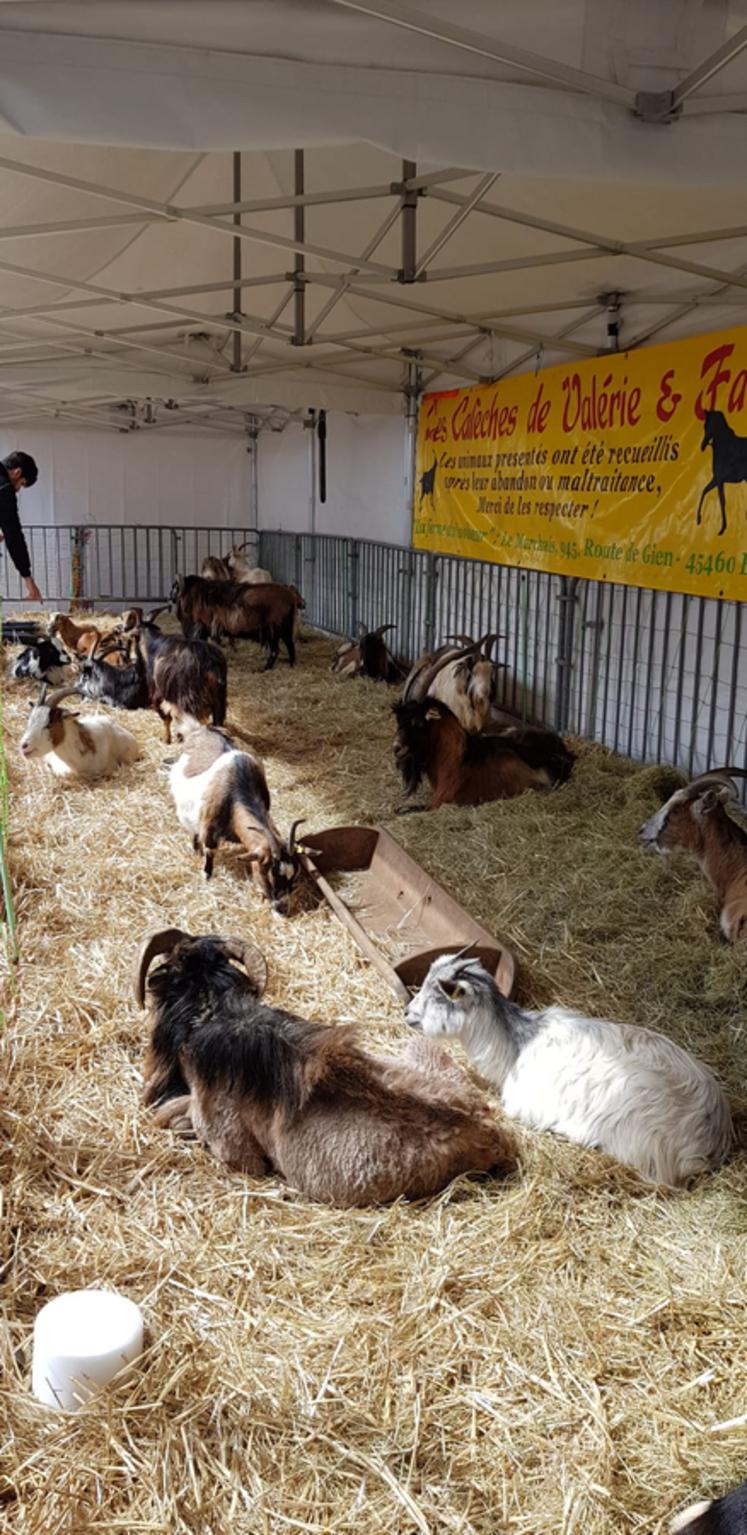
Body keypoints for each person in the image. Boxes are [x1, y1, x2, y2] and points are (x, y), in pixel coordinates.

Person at [0, 449, 43, 604]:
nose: (17, 490)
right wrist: (28, 579)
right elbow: (14, 536)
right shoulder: (4, 490)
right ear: (17, 472)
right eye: (22, 484)